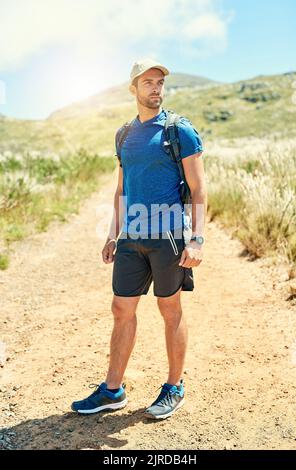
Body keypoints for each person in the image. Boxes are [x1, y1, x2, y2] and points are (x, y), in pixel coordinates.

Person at [71, 58, 207, 420]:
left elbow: (198, 189)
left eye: (160, 82)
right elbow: (121, 188)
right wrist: (112, 234)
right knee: (121, 309)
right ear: (134, 88)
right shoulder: (124, 134)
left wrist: (197, 238)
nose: (156, 88)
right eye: (148, 82)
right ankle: (112, 390)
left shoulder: (180, 131)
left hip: (168, 237)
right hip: (131, 236)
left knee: (170, 309)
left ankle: (174, 386)